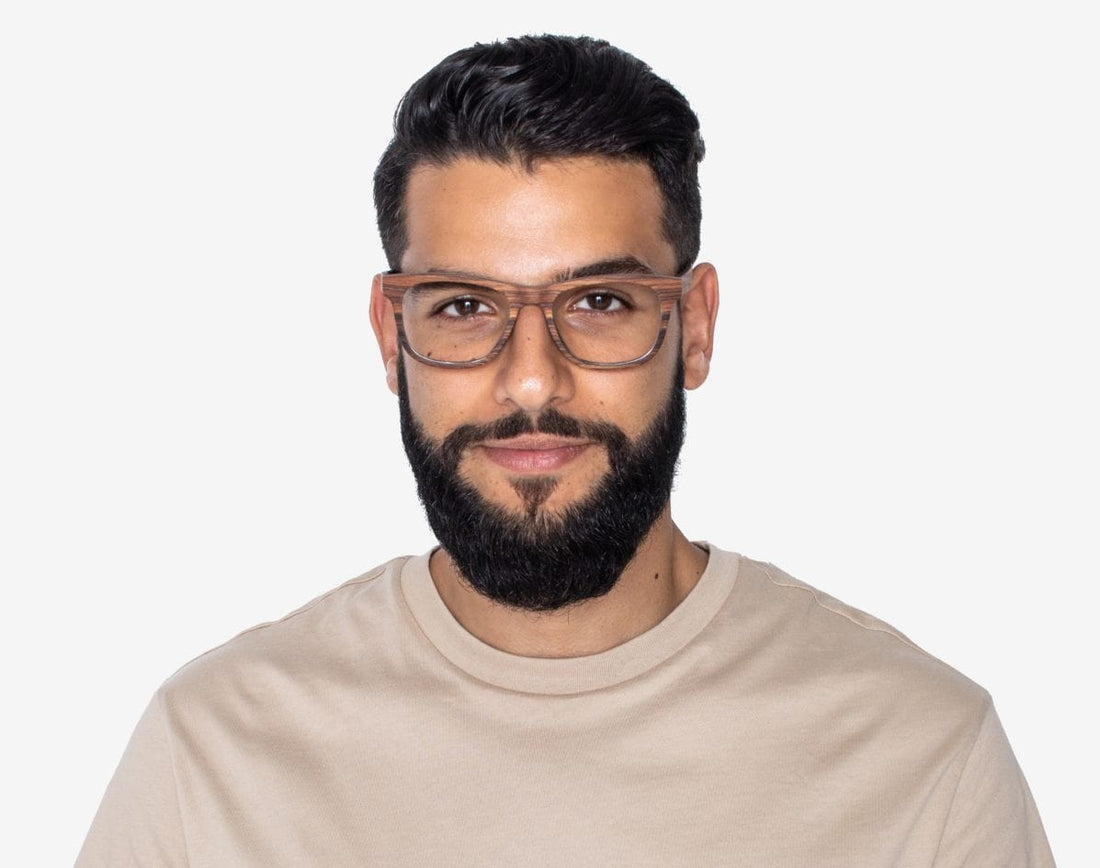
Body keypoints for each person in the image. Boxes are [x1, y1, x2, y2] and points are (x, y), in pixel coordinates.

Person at [77, 34, 1054, 866]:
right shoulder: (207, 757)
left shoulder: (920, 758)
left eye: (598, 302)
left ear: (695, 325)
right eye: (463, 306)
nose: (532, 380)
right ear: (389, 332)